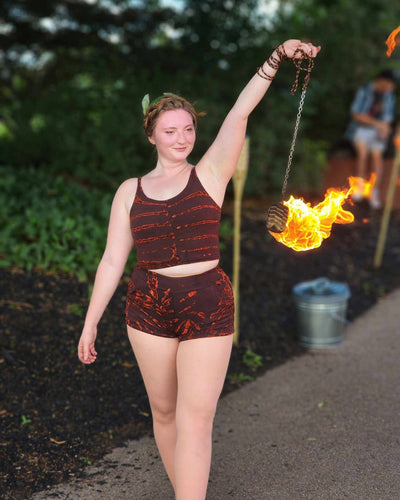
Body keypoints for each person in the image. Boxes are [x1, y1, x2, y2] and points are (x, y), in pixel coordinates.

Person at [78, 39, 321, 500]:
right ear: (151, 135)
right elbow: (112, 260)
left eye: (187, 129)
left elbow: (239, 113)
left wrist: (277, 56)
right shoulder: (130, 191)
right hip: (147, 304)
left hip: (206, 302)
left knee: (195, 417)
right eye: (169, 131)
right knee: (165, 413)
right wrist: (90, 323)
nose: (181, 138)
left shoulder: (209, 174)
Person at [347, 69, 397, 208]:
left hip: (378, 130)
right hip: (361, 129)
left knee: (377, 158)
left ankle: (373, 192)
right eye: (390, 84)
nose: (391, 87)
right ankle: (359, 189)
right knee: (362, 154)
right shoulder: (364, 91)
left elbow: (388, 117)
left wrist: (384, 129)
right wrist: (378, 124)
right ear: (381, 80)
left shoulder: (389, 96)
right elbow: (356, 115)